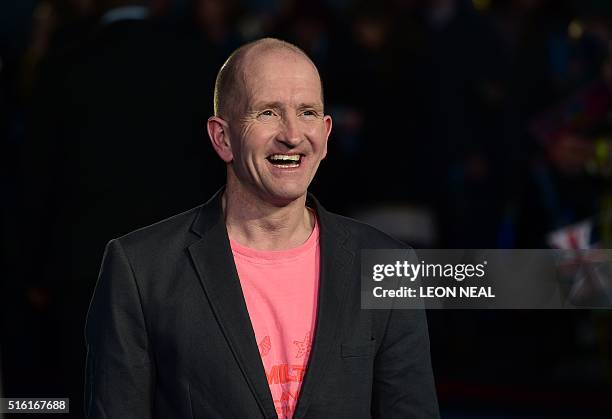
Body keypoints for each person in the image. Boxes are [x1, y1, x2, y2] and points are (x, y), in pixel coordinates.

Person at [85, 37, 440, 418]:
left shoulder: (388, 265)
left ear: (325, 135)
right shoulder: (142, 269)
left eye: (306, 112)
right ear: (223, 138)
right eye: (268, 112)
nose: (291, 134)